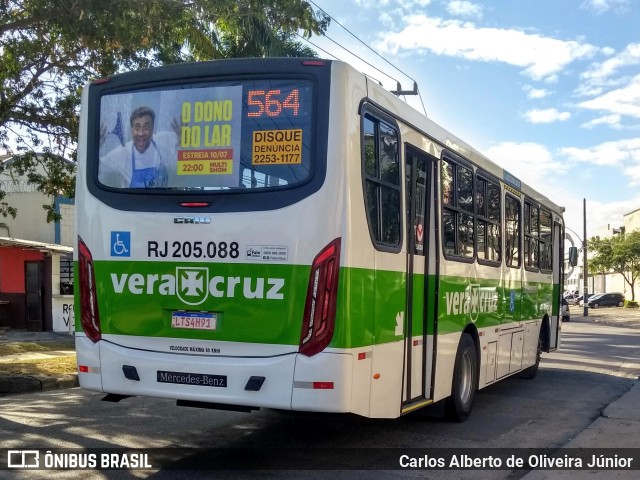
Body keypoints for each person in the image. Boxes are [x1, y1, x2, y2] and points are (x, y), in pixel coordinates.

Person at [98, 106, 180, 188]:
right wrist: (98, 145)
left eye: (146, 127)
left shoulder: (163, 141)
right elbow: (97, 168)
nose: (141, 133)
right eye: (137, 128)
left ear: (152, 129)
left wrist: (184, 140)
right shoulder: (123, 154)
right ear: (132, 130)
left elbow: (186, 149)